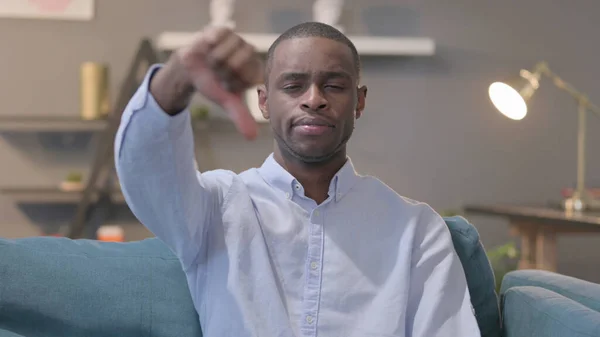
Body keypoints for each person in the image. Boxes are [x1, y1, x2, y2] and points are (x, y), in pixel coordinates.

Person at [115, 22, 481, 337]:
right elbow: (146, 171)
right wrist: (178, 75)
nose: (314, 100)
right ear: (263, 101)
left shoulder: (416, 231)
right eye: (293, 86)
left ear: (359, 101)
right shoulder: (215, 207)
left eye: (334, 86)